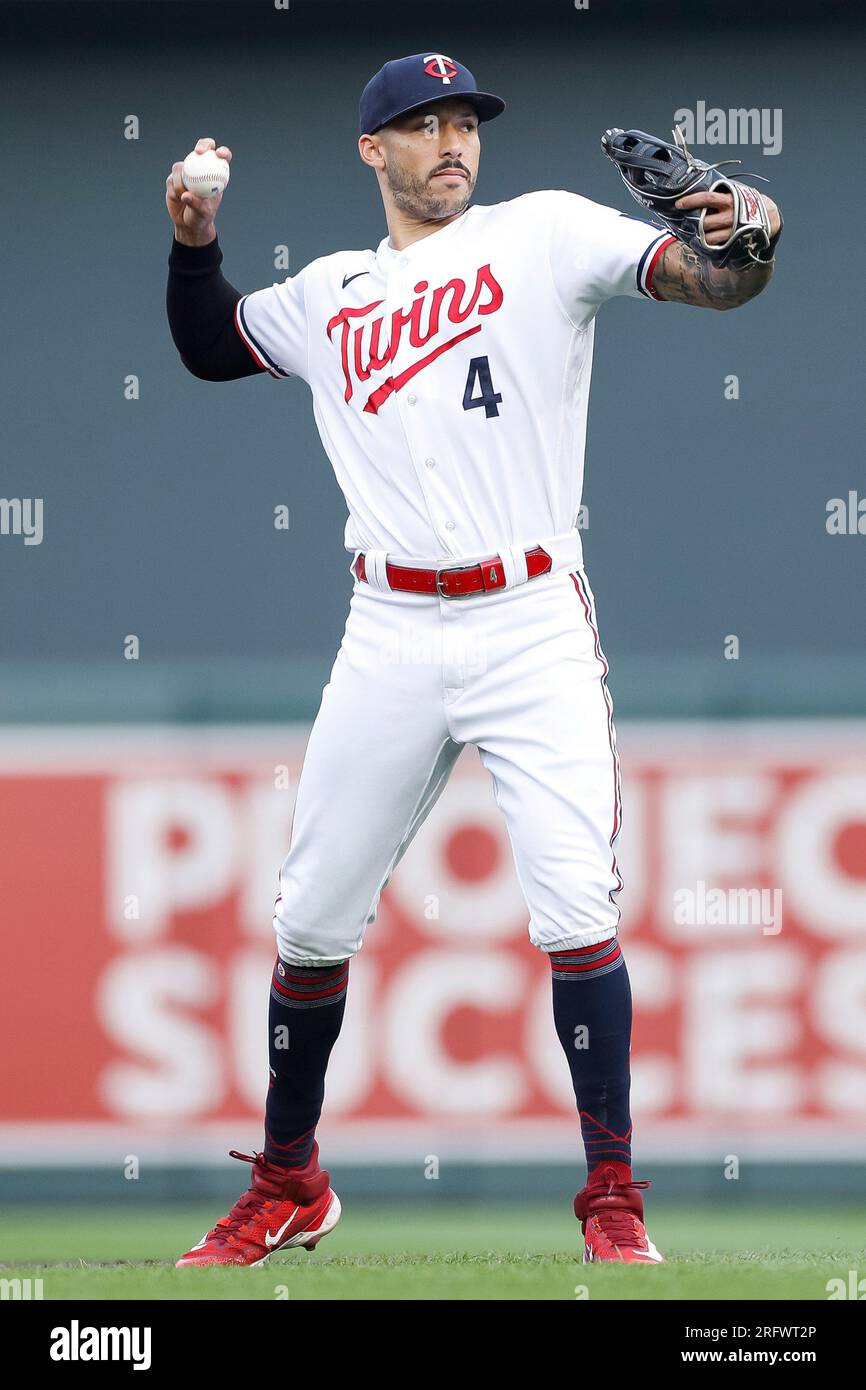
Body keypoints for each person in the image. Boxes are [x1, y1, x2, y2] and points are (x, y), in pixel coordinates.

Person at [166, 52, 781, 1268]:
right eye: (421, 124)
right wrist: (193, 239)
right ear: (371, 151)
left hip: (529, 618)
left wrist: (751, 237)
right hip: (386, 630)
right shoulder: (331, 291)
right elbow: (205, 344)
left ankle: (611, 1201)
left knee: (572, 903)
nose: (451, 141)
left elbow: (708, 281)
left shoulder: (542, 232)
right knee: (308, 919)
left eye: (464, 122)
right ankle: (289, 1178)